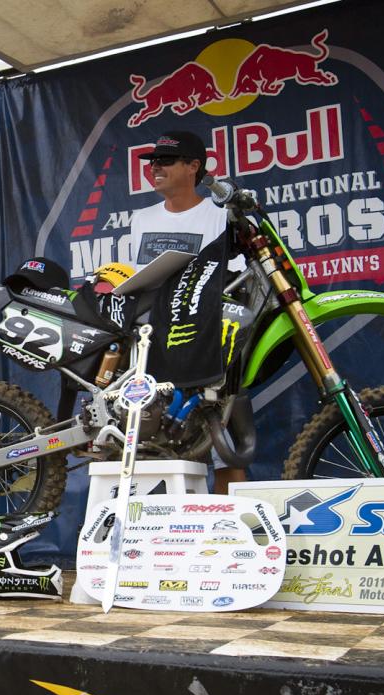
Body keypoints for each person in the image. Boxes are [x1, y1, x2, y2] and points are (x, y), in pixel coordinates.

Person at [130, 130, 248, 494]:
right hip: (153, 342)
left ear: (194, 166)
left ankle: (227, 532)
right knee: (159, 442)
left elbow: (235, 278)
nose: (155, 168)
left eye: (166, 160)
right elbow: (142, 279)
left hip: (207, 341)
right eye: (152, 161)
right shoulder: (141, 218)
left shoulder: (219, 216)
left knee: (223, 448)